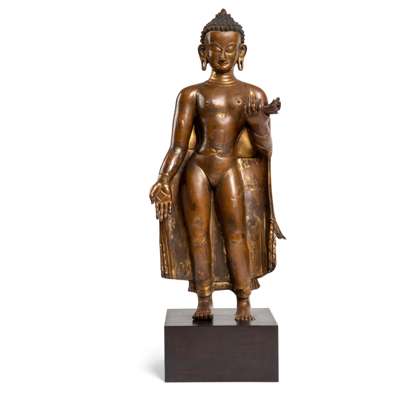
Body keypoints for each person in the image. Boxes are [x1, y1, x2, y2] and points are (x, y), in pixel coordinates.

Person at [150, 9, 284, 321]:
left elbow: (265, 151)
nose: (222, 55)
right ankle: (204, 297)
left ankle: (244, 298)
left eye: (229, 48)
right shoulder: (191, 94)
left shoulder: (252, 94)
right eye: (216, 48)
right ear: (203, 52)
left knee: (236, 232)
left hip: (229, 168)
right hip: (198, 168)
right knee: (198, 233)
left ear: (241, 52)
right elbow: (179, 146)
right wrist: (164, 178)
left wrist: (258, 122)